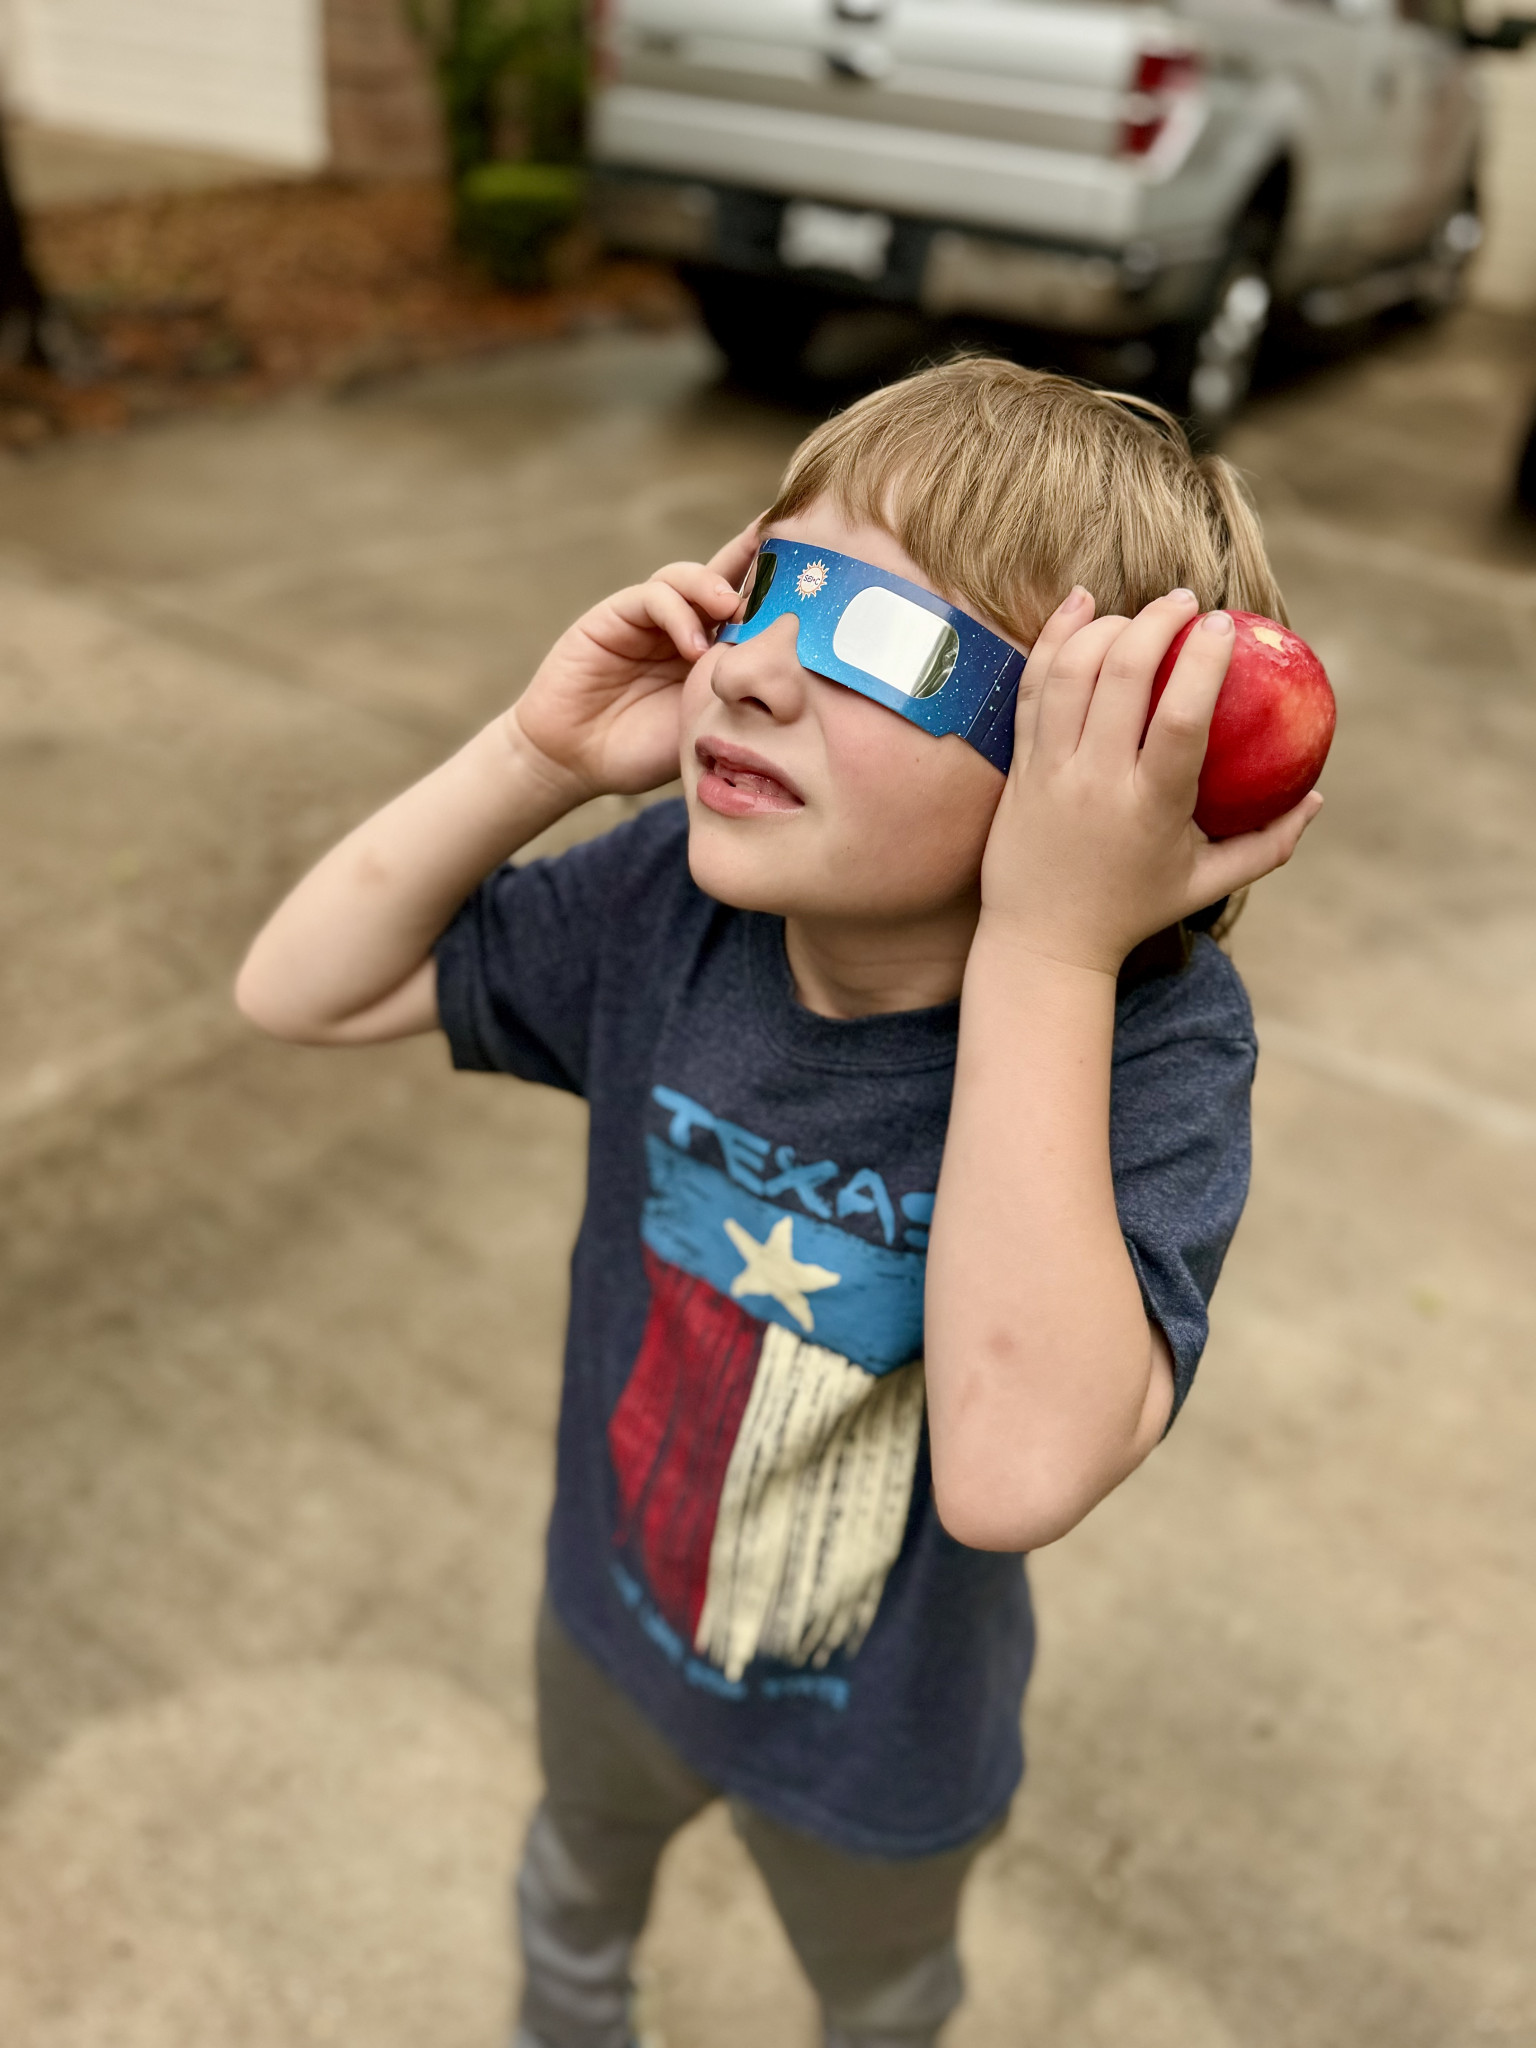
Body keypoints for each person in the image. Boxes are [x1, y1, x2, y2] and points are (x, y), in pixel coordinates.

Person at [236, 357, 1321, 2048]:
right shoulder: (669, 910)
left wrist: (1050, 944)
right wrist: (536, 754)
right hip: (611, 1622)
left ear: (1102, 775)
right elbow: (301, 986)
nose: (745, 667)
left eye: (877, 637)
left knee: (882, 1997)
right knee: (571, 1896)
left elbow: (1015, 1468)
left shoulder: (1152, 1049)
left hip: (882, 1737)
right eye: (768, 591)